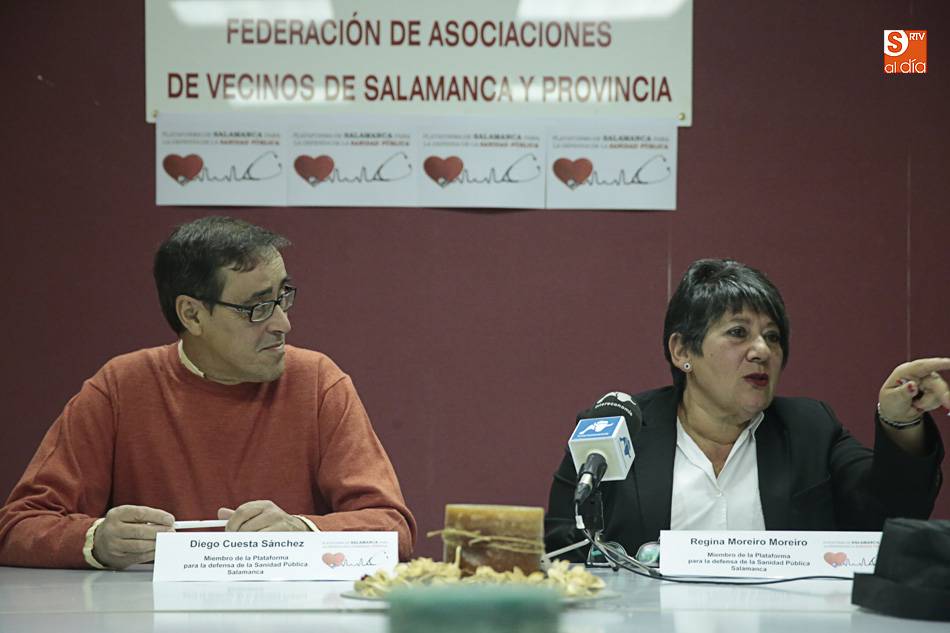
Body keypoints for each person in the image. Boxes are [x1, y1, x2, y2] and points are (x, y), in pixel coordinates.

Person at [0, 216, 416, 569]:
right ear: (192, 314)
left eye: (283, 297)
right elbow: (18, 525)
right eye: (257, 307)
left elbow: (393, 529)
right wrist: (94, 540)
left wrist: (302, 531)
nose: (283, 325)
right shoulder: (121, 387)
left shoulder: (319, 382)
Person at [545, 258, 947, 560]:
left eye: (772, 337)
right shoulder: (617, 429)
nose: (762, 351)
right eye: (738, 333)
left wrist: (901, 419)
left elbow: (892, 513)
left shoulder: (809, 429)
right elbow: (564, 547)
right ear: (683, 350)